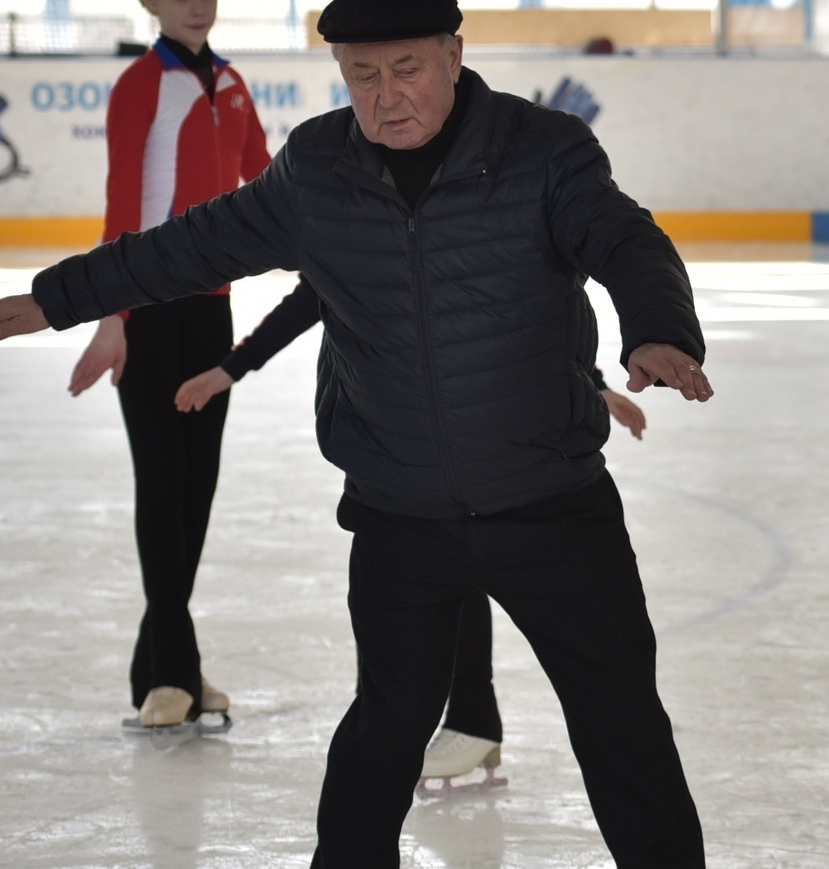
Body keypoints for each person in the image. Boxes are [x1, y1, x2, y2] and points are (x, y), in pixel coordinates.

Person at [0, 0, 766, 869]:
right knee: (390, 718)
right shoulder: (320, 171)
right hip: (402, 506)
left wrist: (659, 329)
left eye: (407, 69)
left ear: (455, 55)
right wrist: (58, 298)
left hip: (550, 498)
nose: (386, 96)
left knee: (621, 716)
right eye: (361, 74)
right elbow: (188, 245)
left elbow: (627, 241)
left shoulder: (542, 153)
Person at [176, 278, 654, 795]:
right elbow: (316, 294)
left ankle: (468, 719)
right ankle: (455, 722)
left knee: (453, 560)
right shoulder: (356, 239)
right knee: (426, 578)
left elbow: (528, 300)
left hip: (457, 423)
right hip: (396, 427)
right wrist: (232, 367)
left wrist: (593, 380)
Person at [68, 0, 269, 732]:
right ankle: (173, 672)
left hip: (212, 310)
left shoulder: (232, 84)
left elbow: (266, 184)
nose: (197, 7)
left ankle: (161, 665)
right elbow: (123, 205)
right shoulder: (141, 85)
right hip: (148, 312)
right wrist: (111, 316)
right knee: (162, 485)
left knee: (196, 490)